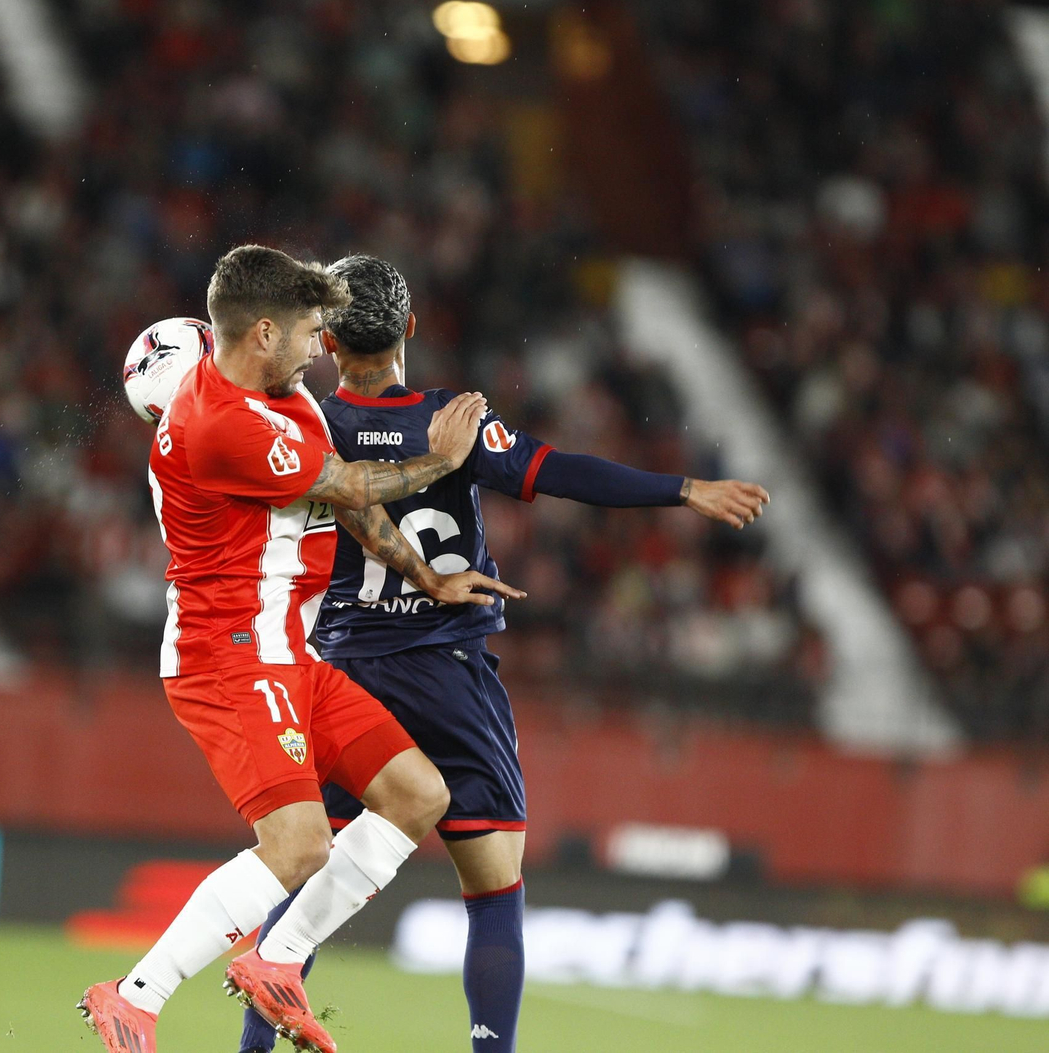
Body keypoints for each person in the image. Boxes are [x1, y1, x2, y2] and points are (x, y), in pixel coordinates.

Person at [236, 255, 771, 1053]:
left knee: (307, 882)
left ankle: (250, 1050)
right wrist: (683, 489)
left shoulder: (307, 423)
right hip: (449, 677)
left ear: (329, 340)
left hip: (342, 675)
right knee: (492, 891)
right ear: (411, 328)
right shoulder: (451, 420)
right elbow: (564, 473)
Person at [78, 245, 522, 1053]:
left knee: (419, 795)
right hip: (230, 658)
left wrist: (425, 574)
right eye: (313, 329)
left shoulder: (284, 394)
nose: (326, 343)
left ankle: (276, 960)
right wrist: (443, 462)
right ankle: (135, 994)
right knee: (300, 842)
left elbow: (344, 500)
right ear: (262, 333)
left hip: (290, 652)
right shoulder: (218, 425)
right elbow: (354, 487)